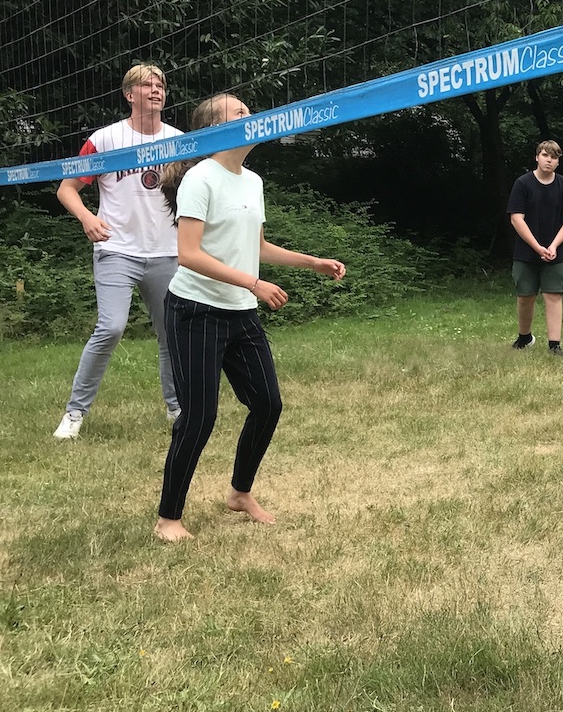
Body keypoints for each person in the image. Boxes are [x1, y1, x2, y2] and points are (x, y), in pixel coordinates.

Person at [153, 94, 345, 542]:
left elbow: (258, 248)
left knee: (268, 404)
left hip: (240, 313)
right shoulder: (199, 179)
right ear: (214, 128)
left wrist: (311, 261)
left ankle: (240, 493)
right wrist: (252, 283)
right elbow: (188, 254)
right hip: (195, 311)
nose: (250, 116)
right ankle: (168, 518)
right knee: (199, 416)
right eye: (238, 113)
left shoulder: (253, 181)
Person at [53, 63, 183, 439]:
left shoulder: (178, 139)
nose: (156, 89)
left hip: (166, 252)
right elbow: (67, 188)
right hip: (117, 250)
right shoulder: (106, 139)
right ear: (130, 95)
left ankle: (177, 409)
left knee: (170, 333)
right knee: (110, 327)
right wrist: (86, 218)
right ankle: (74, 414)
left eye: (160, 84)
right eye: (147, 84)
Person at [507, 140, 563, 356]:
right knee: (525, 296)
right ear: (537, 157)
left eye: (554, 157)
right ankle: (524, 338)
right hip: (526, 251)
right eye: (545, 155)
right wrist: (538, 247)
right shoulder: (522, 184)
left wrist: (553, 245)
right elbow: (516, 219)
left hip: (556, 252)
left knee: (553, 295)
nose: (549, 160)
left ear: (558, 162)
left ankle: (554, 345)